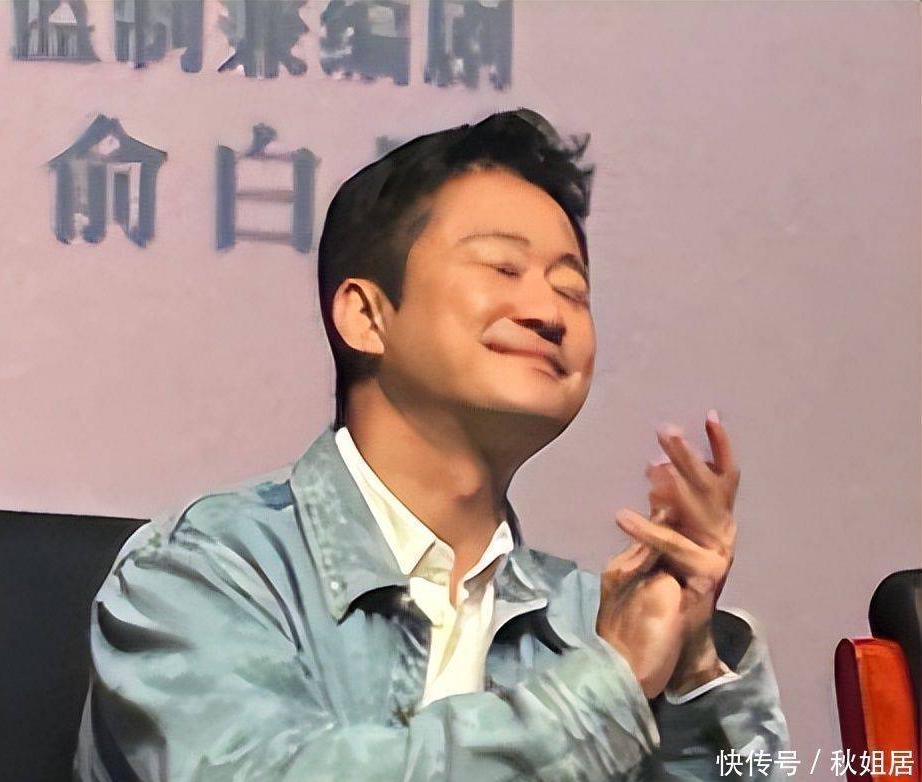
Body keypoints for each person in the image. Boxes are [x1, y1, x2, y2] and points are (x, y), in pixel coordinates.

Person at [74, 109, 790, 781]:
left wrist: (691, 668)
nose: (547, 313)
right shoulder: (209, 567)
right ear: (366, 316)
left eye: (572, 290)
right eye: (502, 269)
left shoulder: (594, 621)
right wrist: (610, 688)